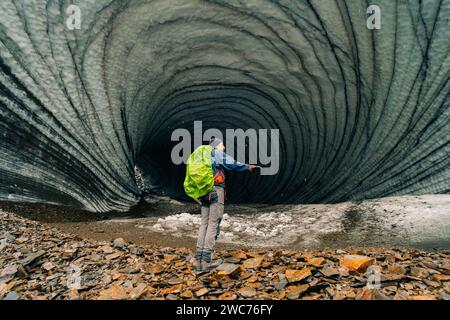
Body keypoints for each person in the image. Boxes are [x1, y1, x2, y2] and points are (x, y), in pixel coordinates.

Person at [193, 137, 255, 273]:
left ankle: (198, 259)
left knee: (204, 223)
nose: (224, 147)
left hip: (203, 191)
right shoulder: (216, 153)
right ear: (216, 146)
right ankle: (206, 260)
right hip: (215, 190)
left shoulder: (202, 155)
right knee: (213, 223)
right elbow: (231, 163)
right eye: (222, 145)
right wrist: (247, 166)